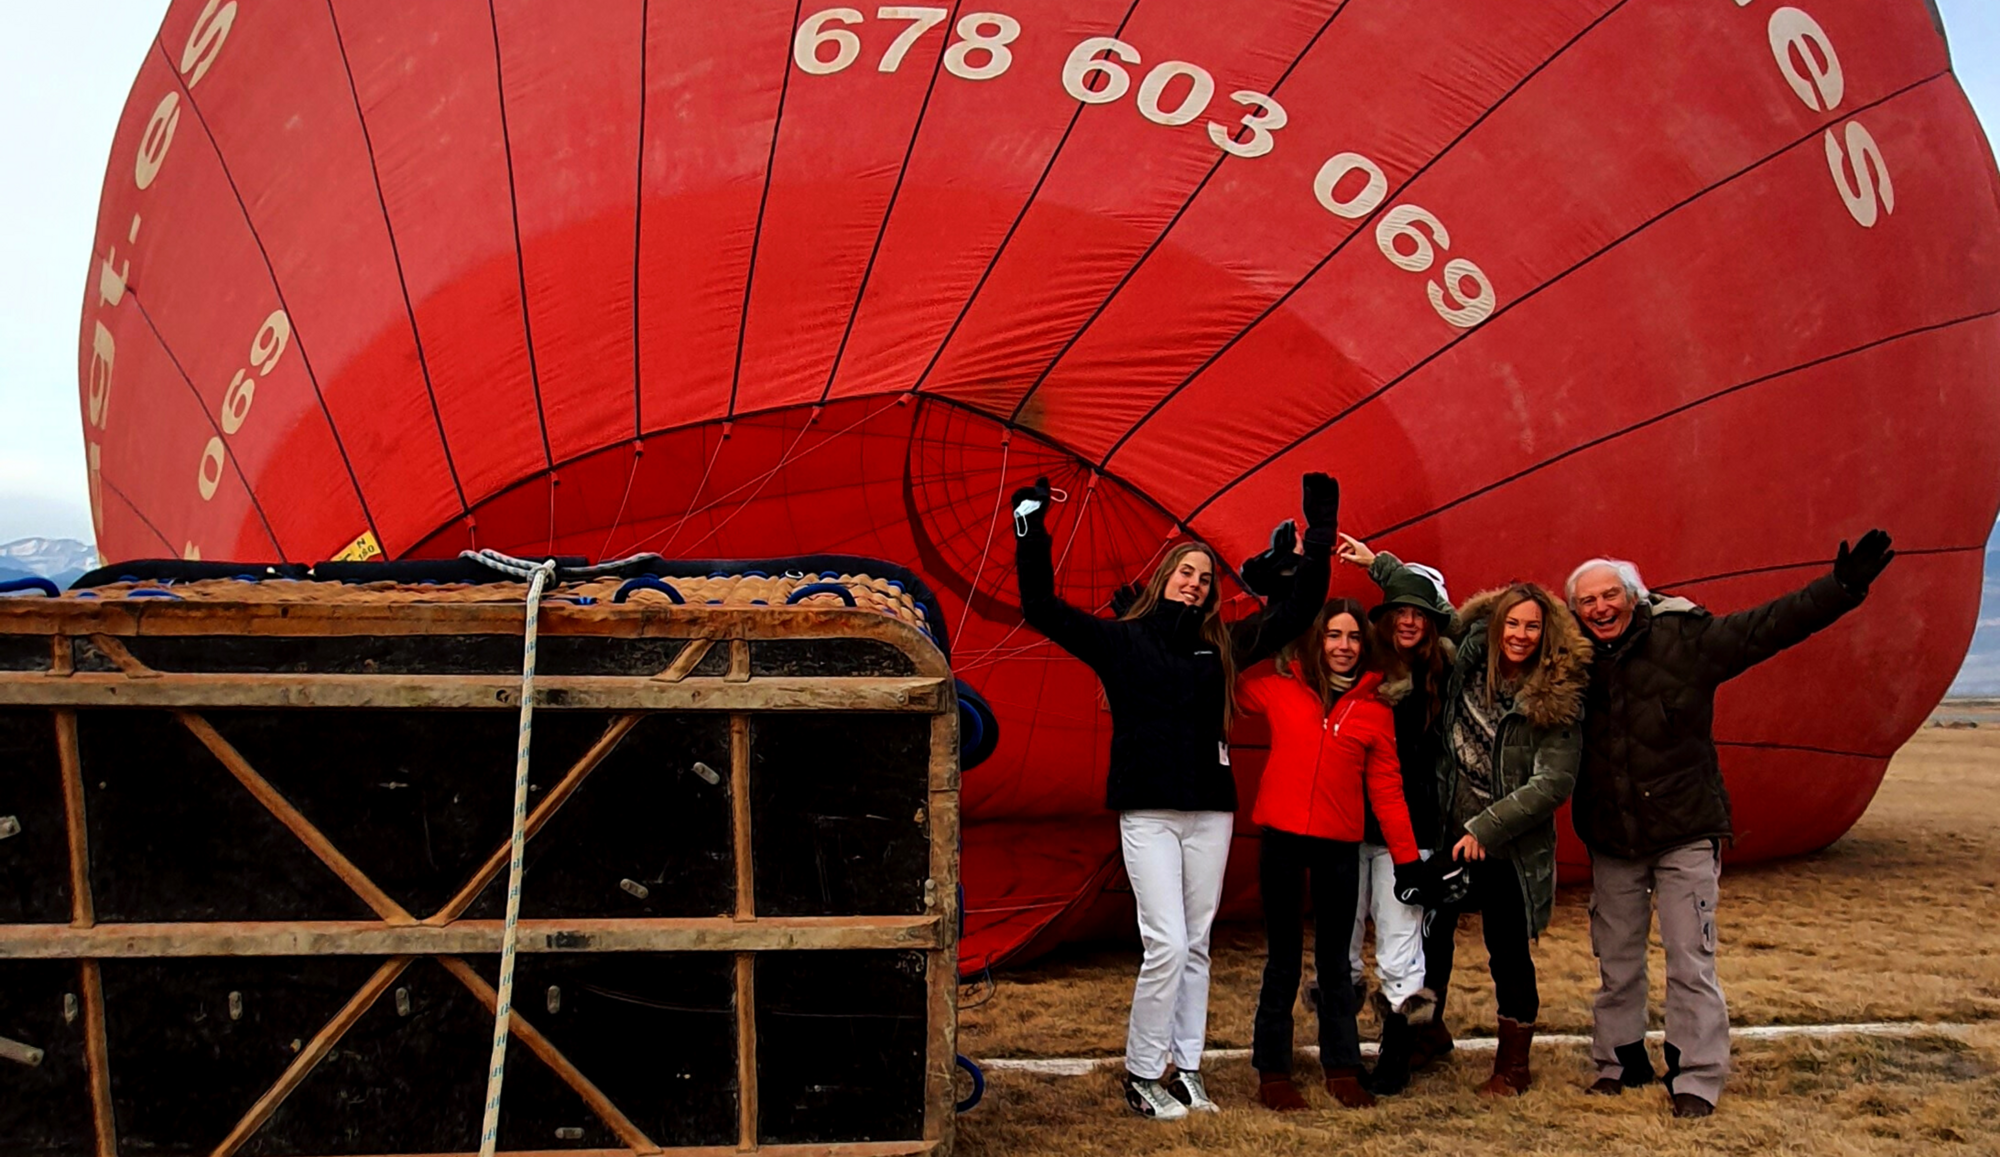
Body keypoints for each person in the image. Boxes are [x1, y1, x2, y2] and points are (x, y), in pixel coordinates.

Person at [1010, 472, 1338, 1120]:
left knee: (1196, 942)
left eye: (1206, 577)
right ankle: (1141, 1072)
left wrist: (1319, 536)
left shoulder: (1222, 645)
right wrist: (1031, 527)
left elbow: (1297, 612)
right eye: (1186, 571)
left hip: (1210, 811)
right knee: (1164, 940)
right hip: (1150, 812)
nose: (1196, 581)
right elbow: (1041, 606)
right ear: (1163, 578)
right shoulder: (1121, 640)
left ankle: (1185, 1068)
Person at [1566, 531, 1895, 1119]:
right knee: (1615, 961)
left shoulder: (1686, 640)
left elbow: (1767, 626)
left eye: (1609, 595)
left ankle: (1696, 1075)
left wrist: (1841, 590)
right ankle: (1620, 1062)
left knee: (1691, 959)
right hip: (1614, 837)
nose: (1599, 608)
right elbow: (1496, 643)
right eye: (1586, 602)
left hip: (1684, 827)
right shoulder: (1572, 664)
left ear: (1634, 596)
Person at [1344, 540, 1591, 1097]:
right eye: (1512, 623)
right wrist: (1379, 566)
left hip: (1505, 844)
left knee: (1507, 950)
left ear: (1546, 634)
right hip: (1446, 833)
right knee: (1432, 938)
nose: (1520, 635)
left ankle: (1514, 1067)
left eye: (1532, 627)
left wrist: (1485, 829)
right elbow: (1421, 611)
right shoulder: (1468, 661)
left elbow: (1552, 783)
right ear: (1495, 625)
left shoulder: (1557, 698)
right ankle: (1427, 1032)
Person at [1236, 598, 1427, 1111]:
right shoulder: (1276, 690)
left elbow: (1388, 791)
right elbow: (1226, 673)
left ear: (1365, 647)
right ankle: (1273, 1069)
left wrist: (1408, 862)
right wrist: (1273, 616)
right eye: (1333, 636)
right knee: (1282, 960)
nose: (1343, 648)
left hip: (1339, 845)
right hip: (1279, 839)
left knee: (1336, 964)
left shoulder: (1375, 709)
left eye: (1353, 638)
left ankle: (1341, 1064)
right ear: (1315, 641)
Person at [1346, 550, 1456, 1093]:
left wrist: (1385, 566)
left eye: (1421, 613)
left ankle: (1397, 1053)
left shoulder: (1446, 670)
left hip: (1410, 832)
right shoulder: (1359, 670)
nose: (1409, 621)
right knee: (1341, 944)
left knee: (1400, 944)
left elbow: (1472, 626)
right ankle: (1340, 1053)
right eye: (1399, 611)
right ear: (1383, 620)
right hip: (1346, 825)